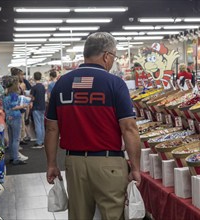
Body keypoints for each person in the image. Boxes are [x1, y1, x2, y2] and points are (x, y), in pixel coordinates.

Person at [45, 32, 141, 219]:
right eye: (114, 56)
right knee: (112, 215)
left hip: (74, 163)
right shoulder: (115, 84)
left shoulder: (62, 84)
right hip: (109, 163)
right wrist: (135, 168)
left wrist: (51, 164)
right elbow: (129, 128)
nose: (113, 61)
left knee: (78, 215)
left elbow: (51, 128)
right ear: (106, 56)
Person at [2, 76, 28, 165]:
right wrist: (24, 106)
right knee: (16, 139)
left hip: (8, 118)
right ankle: (16, 158)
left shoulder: (5, 95)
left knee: (11, 138)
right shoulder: (14, 95)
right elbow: (14, 107)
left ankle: (12, 157)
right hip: (15, 117)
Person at [11, 67, 31, 144]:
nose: (22, 77)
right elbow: (13, 105)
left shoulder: (21, 84)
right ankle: (17, 149)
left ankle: (19, 142)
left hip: (18, 109)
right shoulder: (17, 86)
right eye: (21, 75)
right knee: (18, 128)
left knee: (20, 126)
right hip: (17, 109)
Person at [30, 72, 46, 148]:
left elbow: (32, 98)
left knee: (38, 125)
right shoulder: (43, 87)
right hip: (43, 107)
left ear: (34, 77)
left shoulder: (34, 87)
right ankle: (42, 141)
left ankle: (39, 142)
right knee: (42, 125)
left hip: (36, 107)